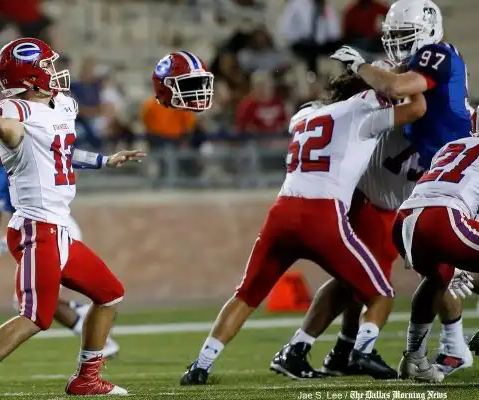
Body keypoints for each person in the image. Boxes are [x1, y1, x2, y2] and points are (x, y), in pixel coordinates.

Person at [0, 37, 145, 398]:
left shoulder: (61, 105)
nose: (54, 71)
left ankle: (87, 378)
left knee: (109, 294)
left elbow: (61, 151)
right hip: (36, 228)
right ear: (28, 76)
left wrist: (104, 160)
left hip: (58, 229)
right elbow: (4, 130)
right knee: (35, 316)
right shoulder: (12, 111)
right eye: (45, 66)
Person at [180, 70, 426, 385]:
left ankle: (200, 366)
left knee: (246, 294)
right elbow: (417, 107)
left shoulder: (305, 115)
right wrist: (404, 77)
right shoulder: (360, 112)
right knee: (381, 294)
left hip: (282, 211)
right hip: (322, 214)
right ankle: (362, 352)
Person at [331, 0, 474, 377]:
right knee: (438, 269)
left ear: (429, 32)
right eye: (393, 36)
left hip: (459, 167)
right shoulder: (416, 62)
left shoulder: (437, 54)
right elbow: (392, 83)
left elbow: (396, 85)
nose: (398, 43)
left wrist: (359, 66)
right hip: (436, 174)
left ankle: (450, 346)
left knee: (455, 264)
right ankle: (445, 348)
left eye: (405, 35)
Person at [0, 124, 119, 360]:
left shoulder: (19, 165)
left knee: (32, 303)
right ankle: (87, 320)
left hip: (54, 229)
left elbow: (37, 214)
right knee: (30, 301)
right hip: (33, 233)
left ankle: (95, 330)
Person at [392, 130, 479, 382]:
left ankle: (415, 359)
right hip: (445, 220)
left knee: (437, 278)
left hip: (404, 221)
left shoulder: (453, 146)